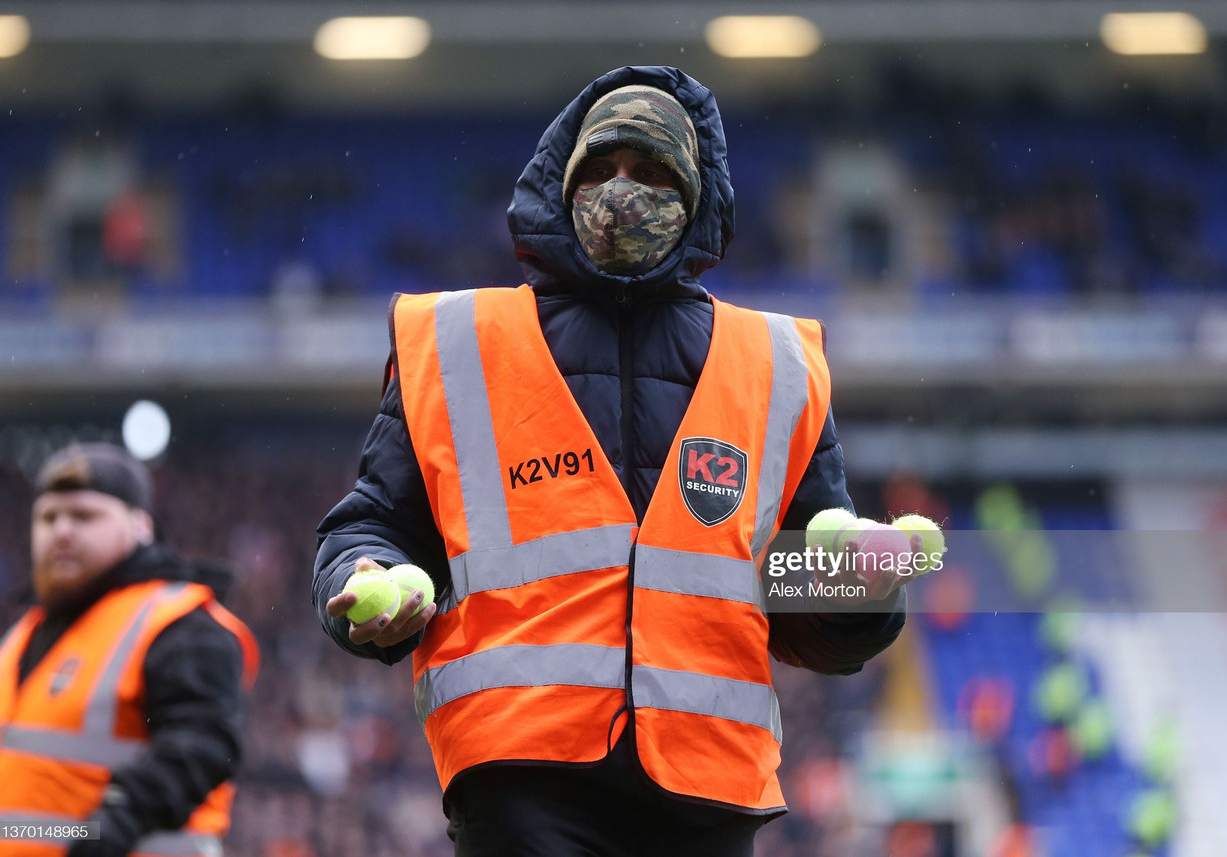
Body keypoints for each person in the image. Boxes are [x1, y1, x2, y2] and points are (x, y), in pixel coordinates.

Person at [314, 66, 912, 855]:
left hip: (707, 785)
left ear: (695, 198)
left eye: (652, 171)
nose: (621, 190)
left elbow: (792, 590)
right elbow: (375, 525)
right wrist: (363, 579)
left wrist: (857, 591)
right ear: (559, 188)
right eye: (600, 168)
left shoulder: (777, 364)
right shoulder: (458, 343)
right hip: (520, 767)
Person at [0, 443, 259, 857]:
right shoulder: (25, 632)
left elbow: (204, 745)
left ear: (140, 526)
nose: (61, 530)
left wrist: (112, 826)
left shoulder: (177, 622)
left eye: (84, 516)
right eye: (47, 517)